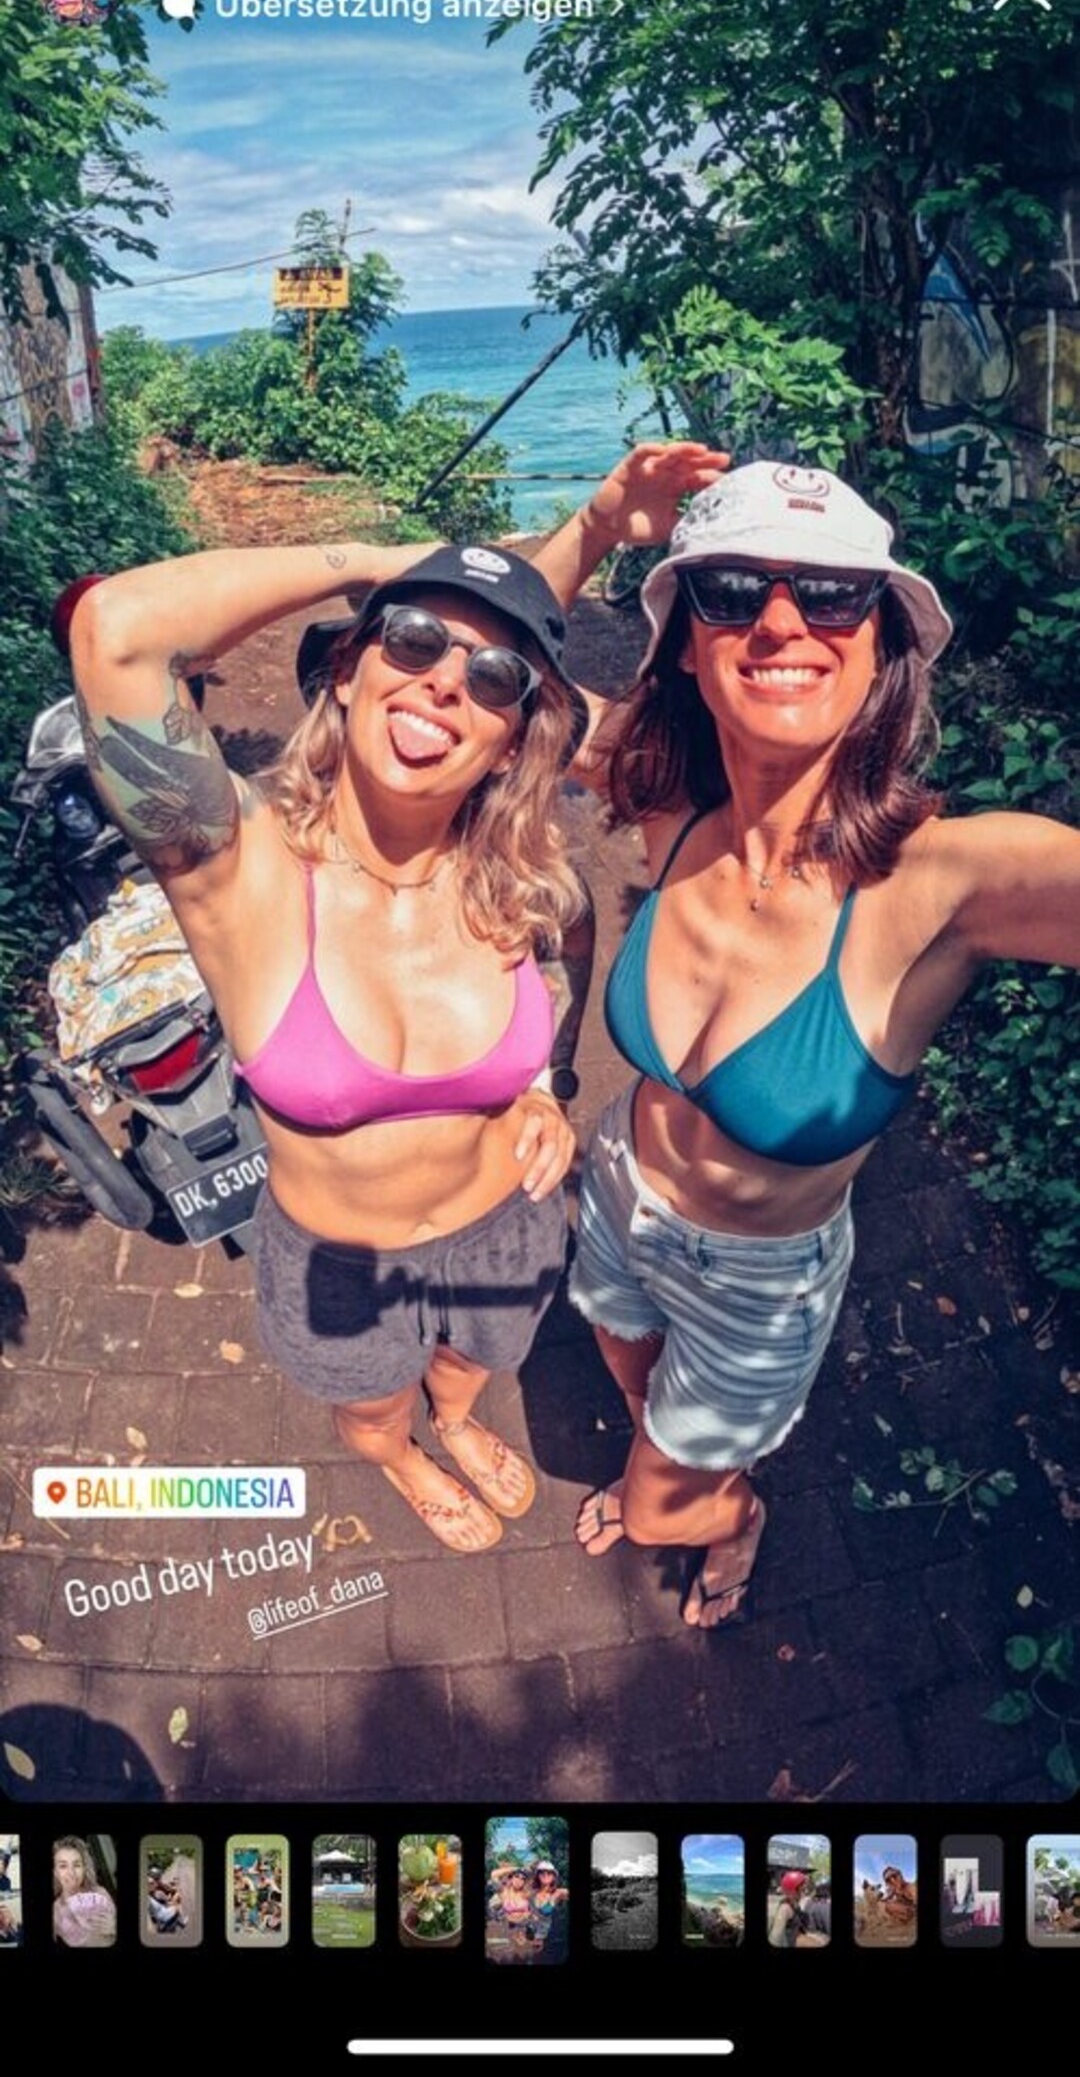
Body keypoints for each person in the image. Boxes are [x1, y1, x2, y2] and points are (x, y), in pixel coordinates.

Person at [69, 454, 714, 1552]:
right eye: (409, 643)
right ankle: (404, 1452)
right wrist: (382, 564)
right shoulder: (242, 875)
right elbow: (114, 633)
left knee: (472, 1365)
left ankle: (453, 1422)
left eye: (490, 682)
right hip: (338, 1264)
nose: (445, 684)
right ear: (347, 672)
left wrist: (547, 1083)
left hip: (509, 1223)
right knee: (371, 1408)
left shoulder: (515, 873)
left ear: (513, 741)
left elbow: (568, 939)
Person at [540, 457, 1080, 1627]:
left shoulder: (946, 881)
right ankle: (675, 1459)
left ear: (884, 643)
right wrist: (594, 524)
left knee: (660, 1508)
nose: (782, 621)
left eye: (833, 593)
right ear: (688, 646)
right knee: (624, 1356)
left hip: (757, 1279)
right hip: (618, 1187)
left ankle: (725, 1518)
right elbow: (487, 664)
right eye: (733, 589)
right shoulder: (666, 803)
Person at [52, 1837, 117, 1948]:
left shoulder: (100, 1893)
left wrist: (114, 1928)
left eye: (77, 1865)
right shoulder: (55, 1911)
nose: (71, 1873)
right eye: (63, 1866)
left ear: (84, 1869)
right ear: (55, 1872)